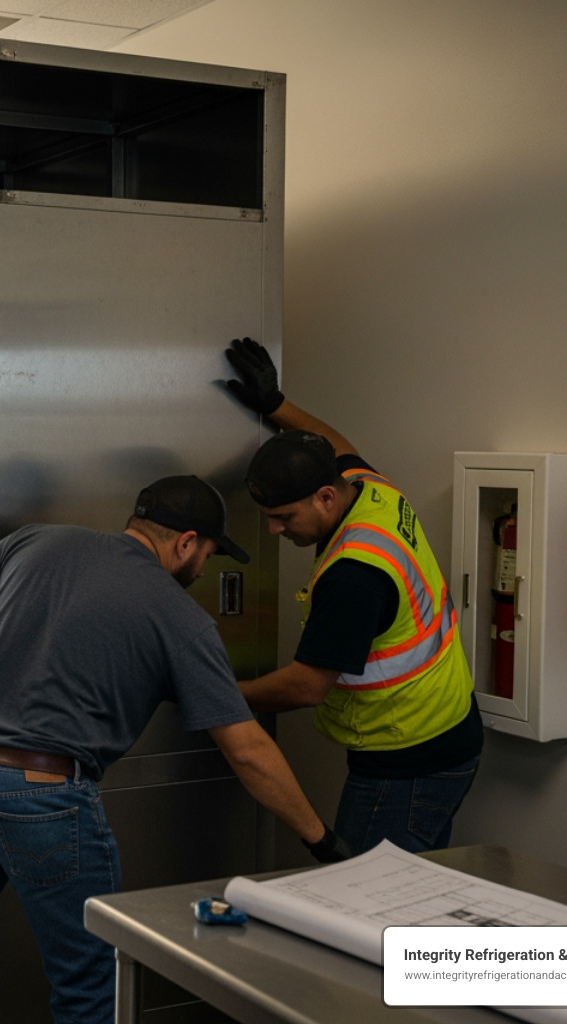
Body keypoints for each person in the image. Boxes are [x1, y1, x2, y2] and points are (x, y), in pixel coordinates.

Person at [0, 476, 349, 1024]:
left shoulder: (38, 541)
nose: (204, 569)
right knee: (88, 982)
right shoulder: (181, 620)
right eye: (205, 553)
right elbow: (248, 750)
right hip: (40, 797)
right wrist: (320, 839)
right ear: (185, 542)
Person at [222, 337, 481, 855]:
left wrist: (221, 693)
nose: (274, 531)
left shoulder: (354, 574)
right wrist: (276, 406)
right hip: (445, 730)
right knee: (405, 896)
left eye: (283, 518)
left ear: (324, 497)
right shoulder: (369, 488)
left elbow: (305, 687)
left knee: (363, 909)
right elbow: (333, 440)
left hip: (406, 761)